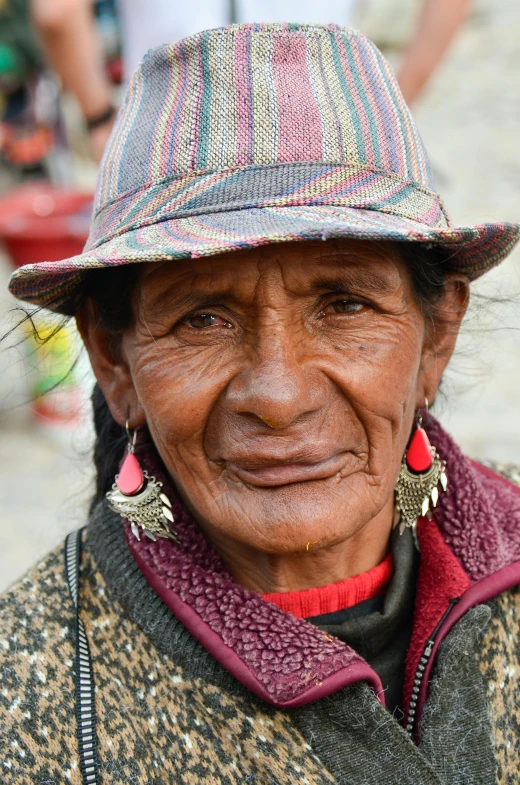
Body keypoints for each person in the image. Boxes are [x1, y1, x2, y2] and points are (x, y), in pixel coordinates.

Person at [3, 22, 520, 785]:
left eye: (344, 304)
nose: (278, 395)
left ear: (435, 336)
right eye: (201, 319)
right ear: (114, 360)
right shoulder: (28, 694)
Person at [31, 0, 472, 160]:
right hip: (320, 125)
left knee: (172, 309)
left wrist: (100, 117)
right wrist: (390, 102)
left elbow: (56, 13)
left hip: (173, 130)